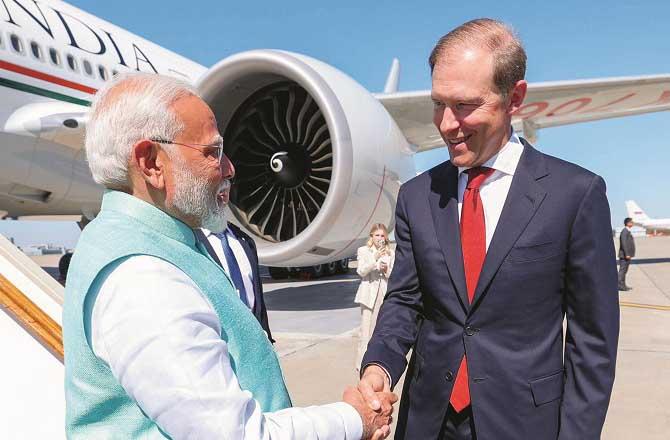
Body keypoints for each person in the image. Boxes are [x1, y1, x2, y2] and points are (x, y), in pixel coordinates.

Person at [62, 72, 396, 439]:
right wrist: (354, 419)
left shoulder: (145, 243)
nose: (230, 168)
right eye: (212, 153)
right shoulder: (143, 280)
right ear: (152, 163)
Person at [357, 18, 619, 440]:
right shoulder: (417, 196)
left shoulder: (575, 194)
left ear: (514, 98)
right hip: (427, 422)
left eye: (464, 106)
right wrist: (380, 365)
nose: (445, 124)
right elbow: (405, 300)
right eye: (438, 104)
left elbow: (593, 343)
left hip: (524, 424)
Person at [196, 196, 275, 342]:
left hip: (257, 347)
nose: (223, 188)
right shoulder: (192, 242)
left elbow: (257, 302)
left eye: (227, 182)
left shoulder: (244, 241)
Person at [354, 223, 394, 370]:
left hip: (383, 295)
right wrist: (374, 258)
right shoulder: (364, 251)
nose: (380, 238)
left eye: (382, 235)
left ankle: (377, 364)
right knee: (365, 332)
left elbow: (392, 276)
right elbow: (361, 271)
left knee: (381, 331)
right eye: (377, 235)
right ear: (372, 236)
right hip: (368, 296)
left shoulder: (390, 253)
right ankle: (361, 365)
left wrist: (386, 269)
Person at [618, 217, 636, 291]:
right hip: (625, 255)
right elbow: (624, 243)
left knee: (624, 271)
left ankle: (623, 285)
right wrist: (627, 254)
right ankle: (620, 286)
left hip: (627, 255)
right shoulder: (624, 231)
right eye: (631, 222)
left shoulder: (627, 231)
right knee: (622, 271)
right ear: (628, 223)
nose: (633, 223)